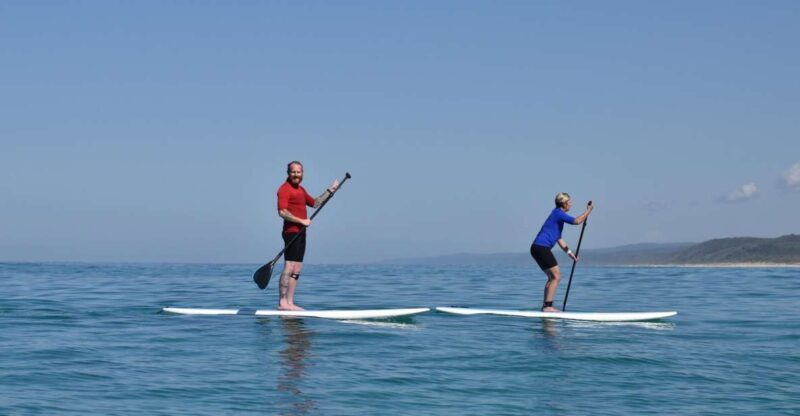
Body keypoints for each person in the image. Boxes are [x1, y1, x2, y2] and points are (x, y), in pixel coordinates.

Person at [276, 161, 339, 311]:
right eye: (293, 172)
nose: (296, 174)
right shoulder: (284, 189)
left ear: (302, 173)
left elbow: (315, 203)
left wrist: (330, 190)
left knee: (297, 268)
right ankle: (282, 302)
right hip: (291, 232)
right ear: (288, 173)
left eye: (298, 172)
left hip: (302, 232)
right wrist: (301, 221)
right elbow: (282, 212)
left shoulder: (301, 190)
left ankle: (290, 302)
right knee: (289, 265)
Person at [530, 193, 593, 312]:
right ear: (564, 203)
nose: (571, 204)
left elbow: (559, 239)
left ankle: (546, 306)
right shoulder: (558, 214)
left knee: (551, 277)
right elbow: (576, 221)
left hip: (537, 248)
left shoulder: (557, 216)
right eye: (569, 202)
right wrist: (588, 211)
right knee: (557, 276)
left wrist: (570, 253)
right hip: (541, 248)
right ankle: (548, 307)